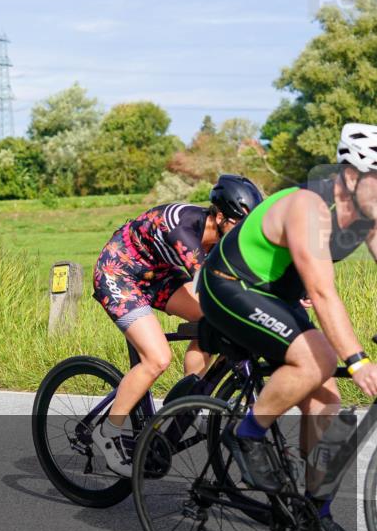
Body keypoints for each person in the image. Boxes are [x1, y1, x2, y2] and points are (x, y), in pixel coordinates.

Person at [201, 123, 377, 531]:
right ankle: (247, 433)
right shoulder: (309, 207)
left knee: (327, 403)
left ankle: (315, 519)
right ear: (351, 176)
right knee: (321, 359)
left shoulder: (368, 214)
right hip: (230, 283)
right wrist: (358, 361)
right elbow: (322, 293)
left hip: (275, 296)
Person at [92, 174, 264, 476]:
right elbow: (209, 284)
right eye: (240, 224)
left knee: (213, 322)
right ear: (219, 217)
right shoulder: (183, 229)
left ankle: (190, 403)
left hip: (159, 275)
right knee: (157, 359)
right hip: (119, 272)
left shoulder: (224, 235)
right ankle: (107, 432)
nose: (244, 232)